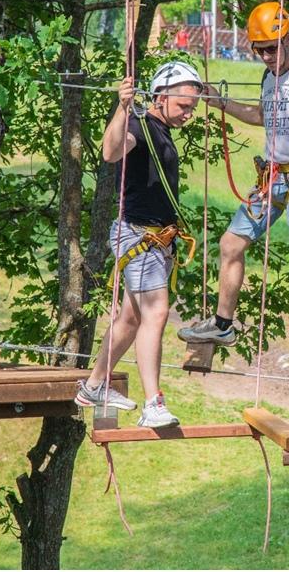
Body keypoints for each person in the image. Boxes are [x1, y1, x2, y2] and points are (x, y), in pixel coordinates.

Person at [178, 1, 289, 369]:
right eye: (260, 50)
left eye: (273, 48)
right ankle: (223, 325)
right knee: (230, 243)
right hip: (271, 178)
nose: (267, 56)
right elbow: (261, 115)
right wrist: (220, 102)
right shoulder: (269, 77)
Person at [75, 61, 203, 428]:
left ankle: (94, 384)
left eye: (192, 108)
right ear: (160, 97)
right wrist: (121, 106)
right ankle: (153, 403)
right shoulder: (138, 125)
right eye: (183, 106)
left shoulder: (159, 129)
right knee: (156, 313)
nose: (188, 115)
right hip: (140, 235)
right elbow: (111, 152)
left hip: (155, 238)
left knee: (130, 318)